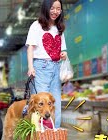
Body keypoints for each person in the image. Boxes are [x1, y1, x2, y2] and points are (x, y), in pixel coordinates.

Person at [26, 0, 67, 128]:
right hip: (41, 68)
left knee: (55, 105)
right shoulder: (36, 26)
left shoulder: (59, 28)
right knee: (40, 105)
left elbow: (63, 50)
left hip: (56, 67)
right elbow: (30, 48)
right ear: (46, 8)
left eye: (58, 9)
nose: (55, 11)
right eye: (52, 8)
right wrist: (30, 67)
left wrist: (63, 54)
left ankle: (53, 138)